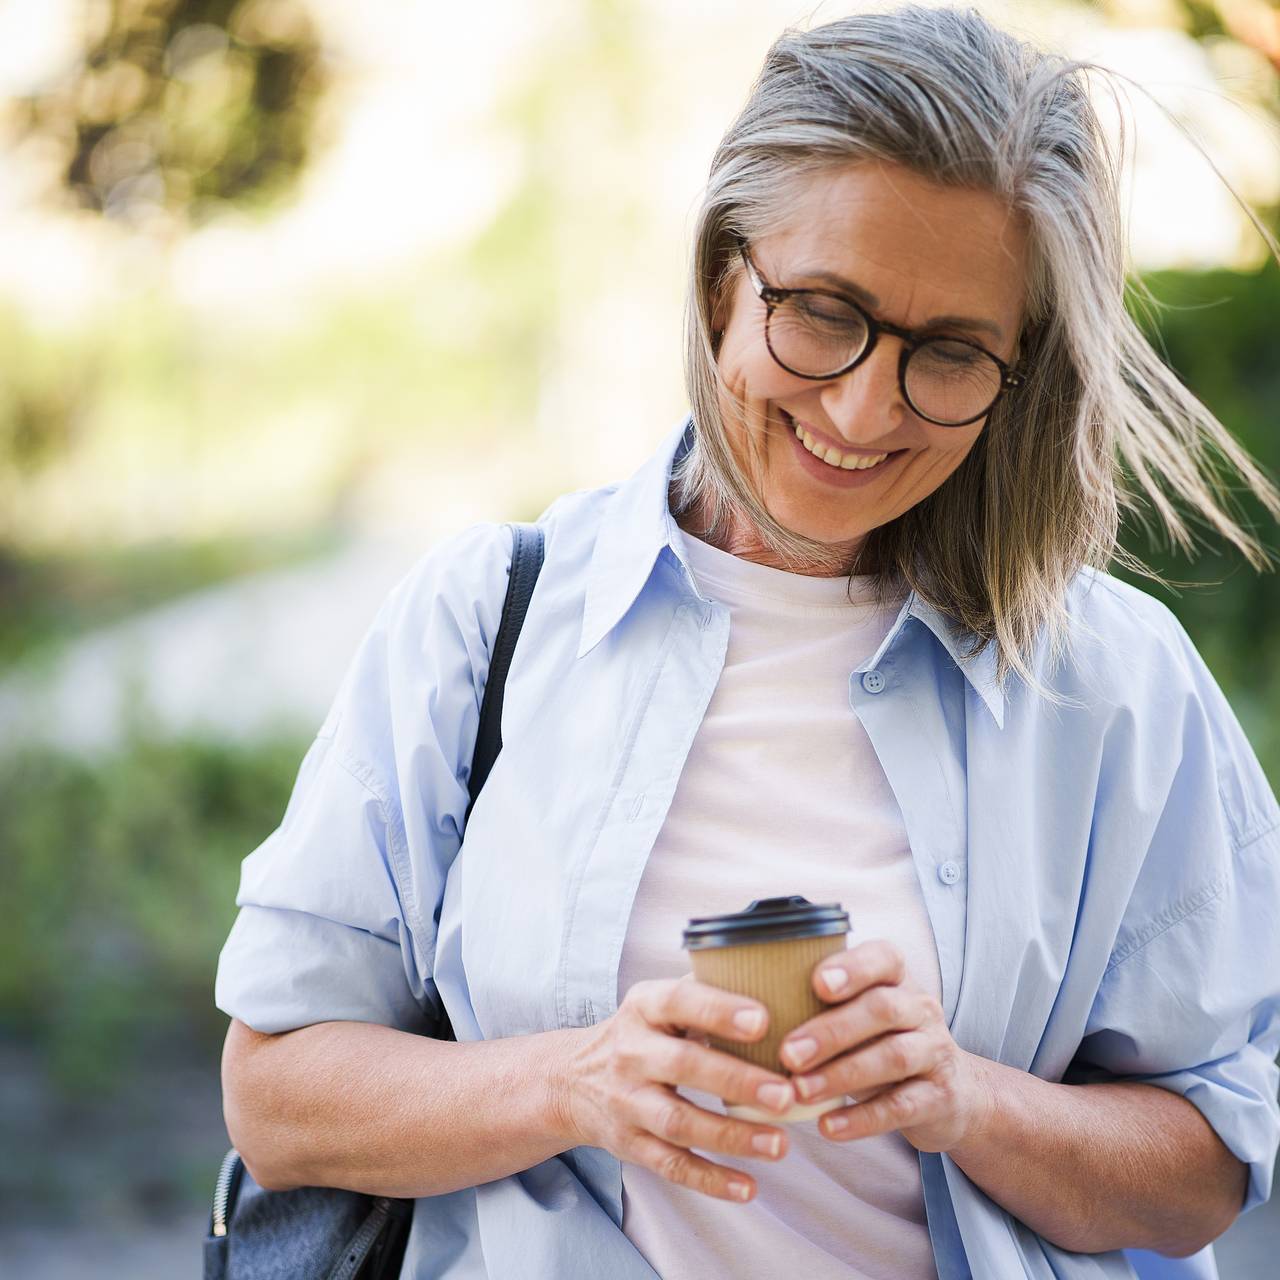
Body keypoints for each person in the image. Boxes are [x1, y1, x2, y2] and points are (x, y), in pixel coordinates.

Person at [215, 5, 1280, 1278]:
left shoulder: (1111, 684)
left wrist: (964, 1097)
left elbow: (1206, 1169)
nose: (861, 407)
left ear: (1019, 368)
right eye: (821, 312)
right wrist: (576, 1081)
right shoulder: (485, 618)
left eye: (948, 353)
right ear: (724, 277)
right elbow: (275, 1099)